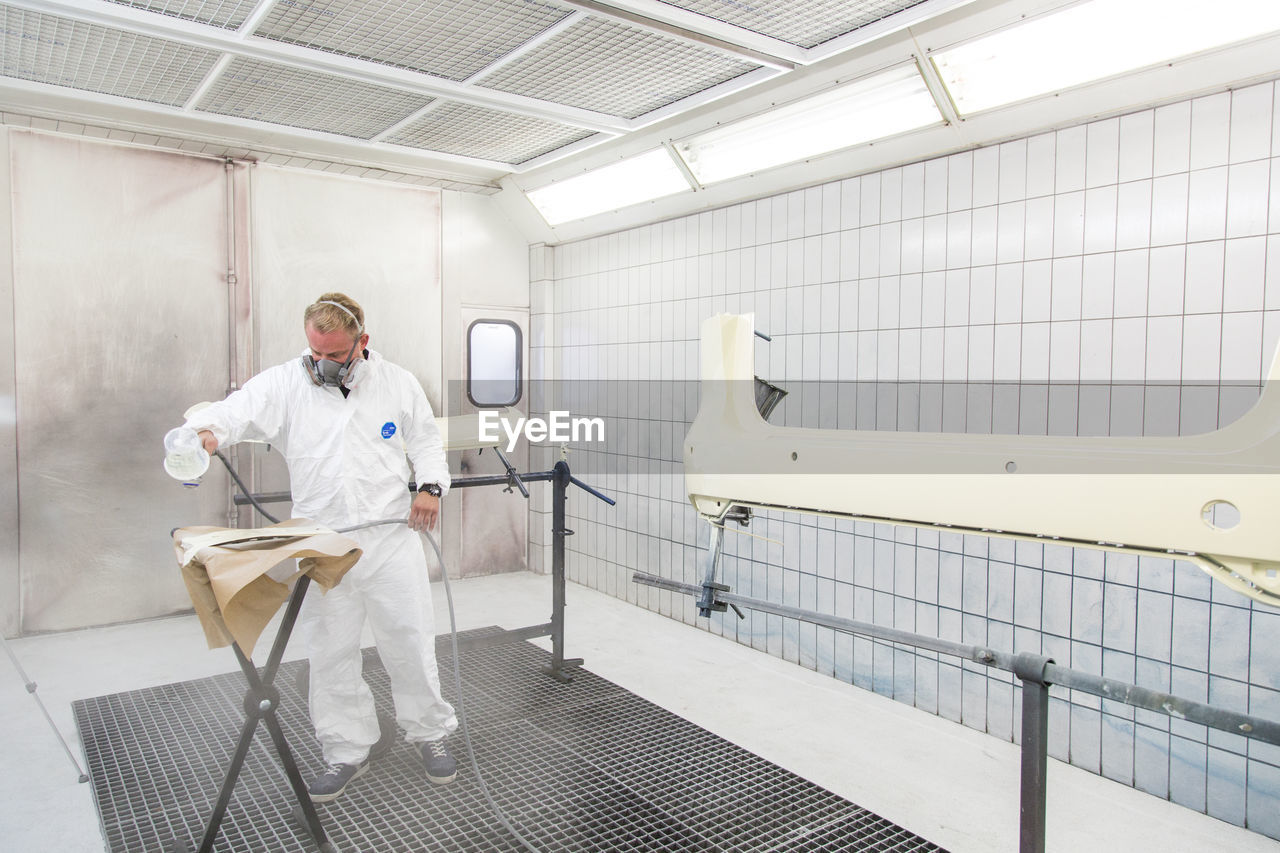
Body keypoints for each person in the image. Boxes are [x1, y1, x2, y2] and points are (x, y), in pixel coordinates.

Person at [180, 292, 458, 802]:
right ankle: (347, 750)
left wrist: (430, 486)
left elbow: (423, 444)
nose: (323, 365)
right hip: (322, 543)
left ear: (361, 342)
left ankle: (430, 732)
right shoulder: (286, 383)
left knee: (410, 641)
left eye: (335, 355)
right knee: (330, 652)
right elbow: (236, 412)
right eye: (316, 354)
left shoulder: (397, 382)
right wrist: (207, 433)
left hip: (391, 538)